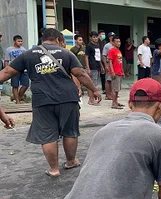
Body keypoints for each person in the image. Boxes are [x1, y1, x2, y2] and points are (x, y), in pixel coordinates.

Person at [0, 28, 101, 177]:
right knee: (70, 131)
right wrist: (95, 90)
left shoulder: (28, 54)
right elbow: (80, 73)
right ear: (57, 39)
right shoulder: (66, 53)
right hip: (67, 98)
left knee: (48, 134)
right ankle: (71, 161)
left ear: (43, 38)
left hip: (42, 100)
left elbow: (8, 72)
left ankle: (54, 169)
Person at [4, 35, 29, 104]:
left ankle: (16, 97)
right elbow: (6, 61)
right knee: (15, 85)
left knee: (25, 85)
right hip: (14, 69)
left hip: (24, 70)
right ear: (14, 41)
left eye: (21, 41)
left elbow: (26, 60)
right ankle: (17, 101)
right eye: (18, 41)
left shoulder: (23, 49)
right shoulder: (9, 50)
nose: (20, 43)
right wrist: (7, 70)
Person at [85, 31, 102, 105]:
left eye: (96, 37)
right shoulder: (89, 46)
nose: (95, 38)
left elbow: (99, 57)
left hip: (97, 66)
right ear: (91, 38)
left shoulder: (97, 45)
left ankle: (93, 98)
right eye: (94, 37)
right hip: (92, 66)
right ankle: (91, 99)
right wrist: (88, 68)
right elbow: (86, 57)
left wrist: (101, 66)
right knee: (91, 84)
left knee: (95, 83)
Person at [108, 37, 125, 109]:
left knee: (117, 89)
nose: (119, 43)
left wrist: (122, 71)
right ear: (113, 42)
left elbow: (120, 62)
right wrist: (112, 72)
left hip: (119, 72)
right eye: (117, 42)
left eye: (119, 41)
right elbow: (110, 62)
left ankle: (116, 101)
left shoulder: (118, 51)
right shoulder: (111, 51)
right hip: (115, 72)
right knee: (115, 89)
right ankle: (113, 104)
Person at [102, 32, 115, 100]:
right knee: (108, 80)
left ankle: (112, 94)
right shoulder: (107, 46)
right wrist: (106, 65)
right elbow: (104, 56)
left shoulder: (115, 45)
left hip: (114, 64)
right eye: (112, 36)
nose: (113, 37)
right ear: (109, 37)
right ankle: (107, 95)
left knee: (113, 80)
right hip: (109, 64)